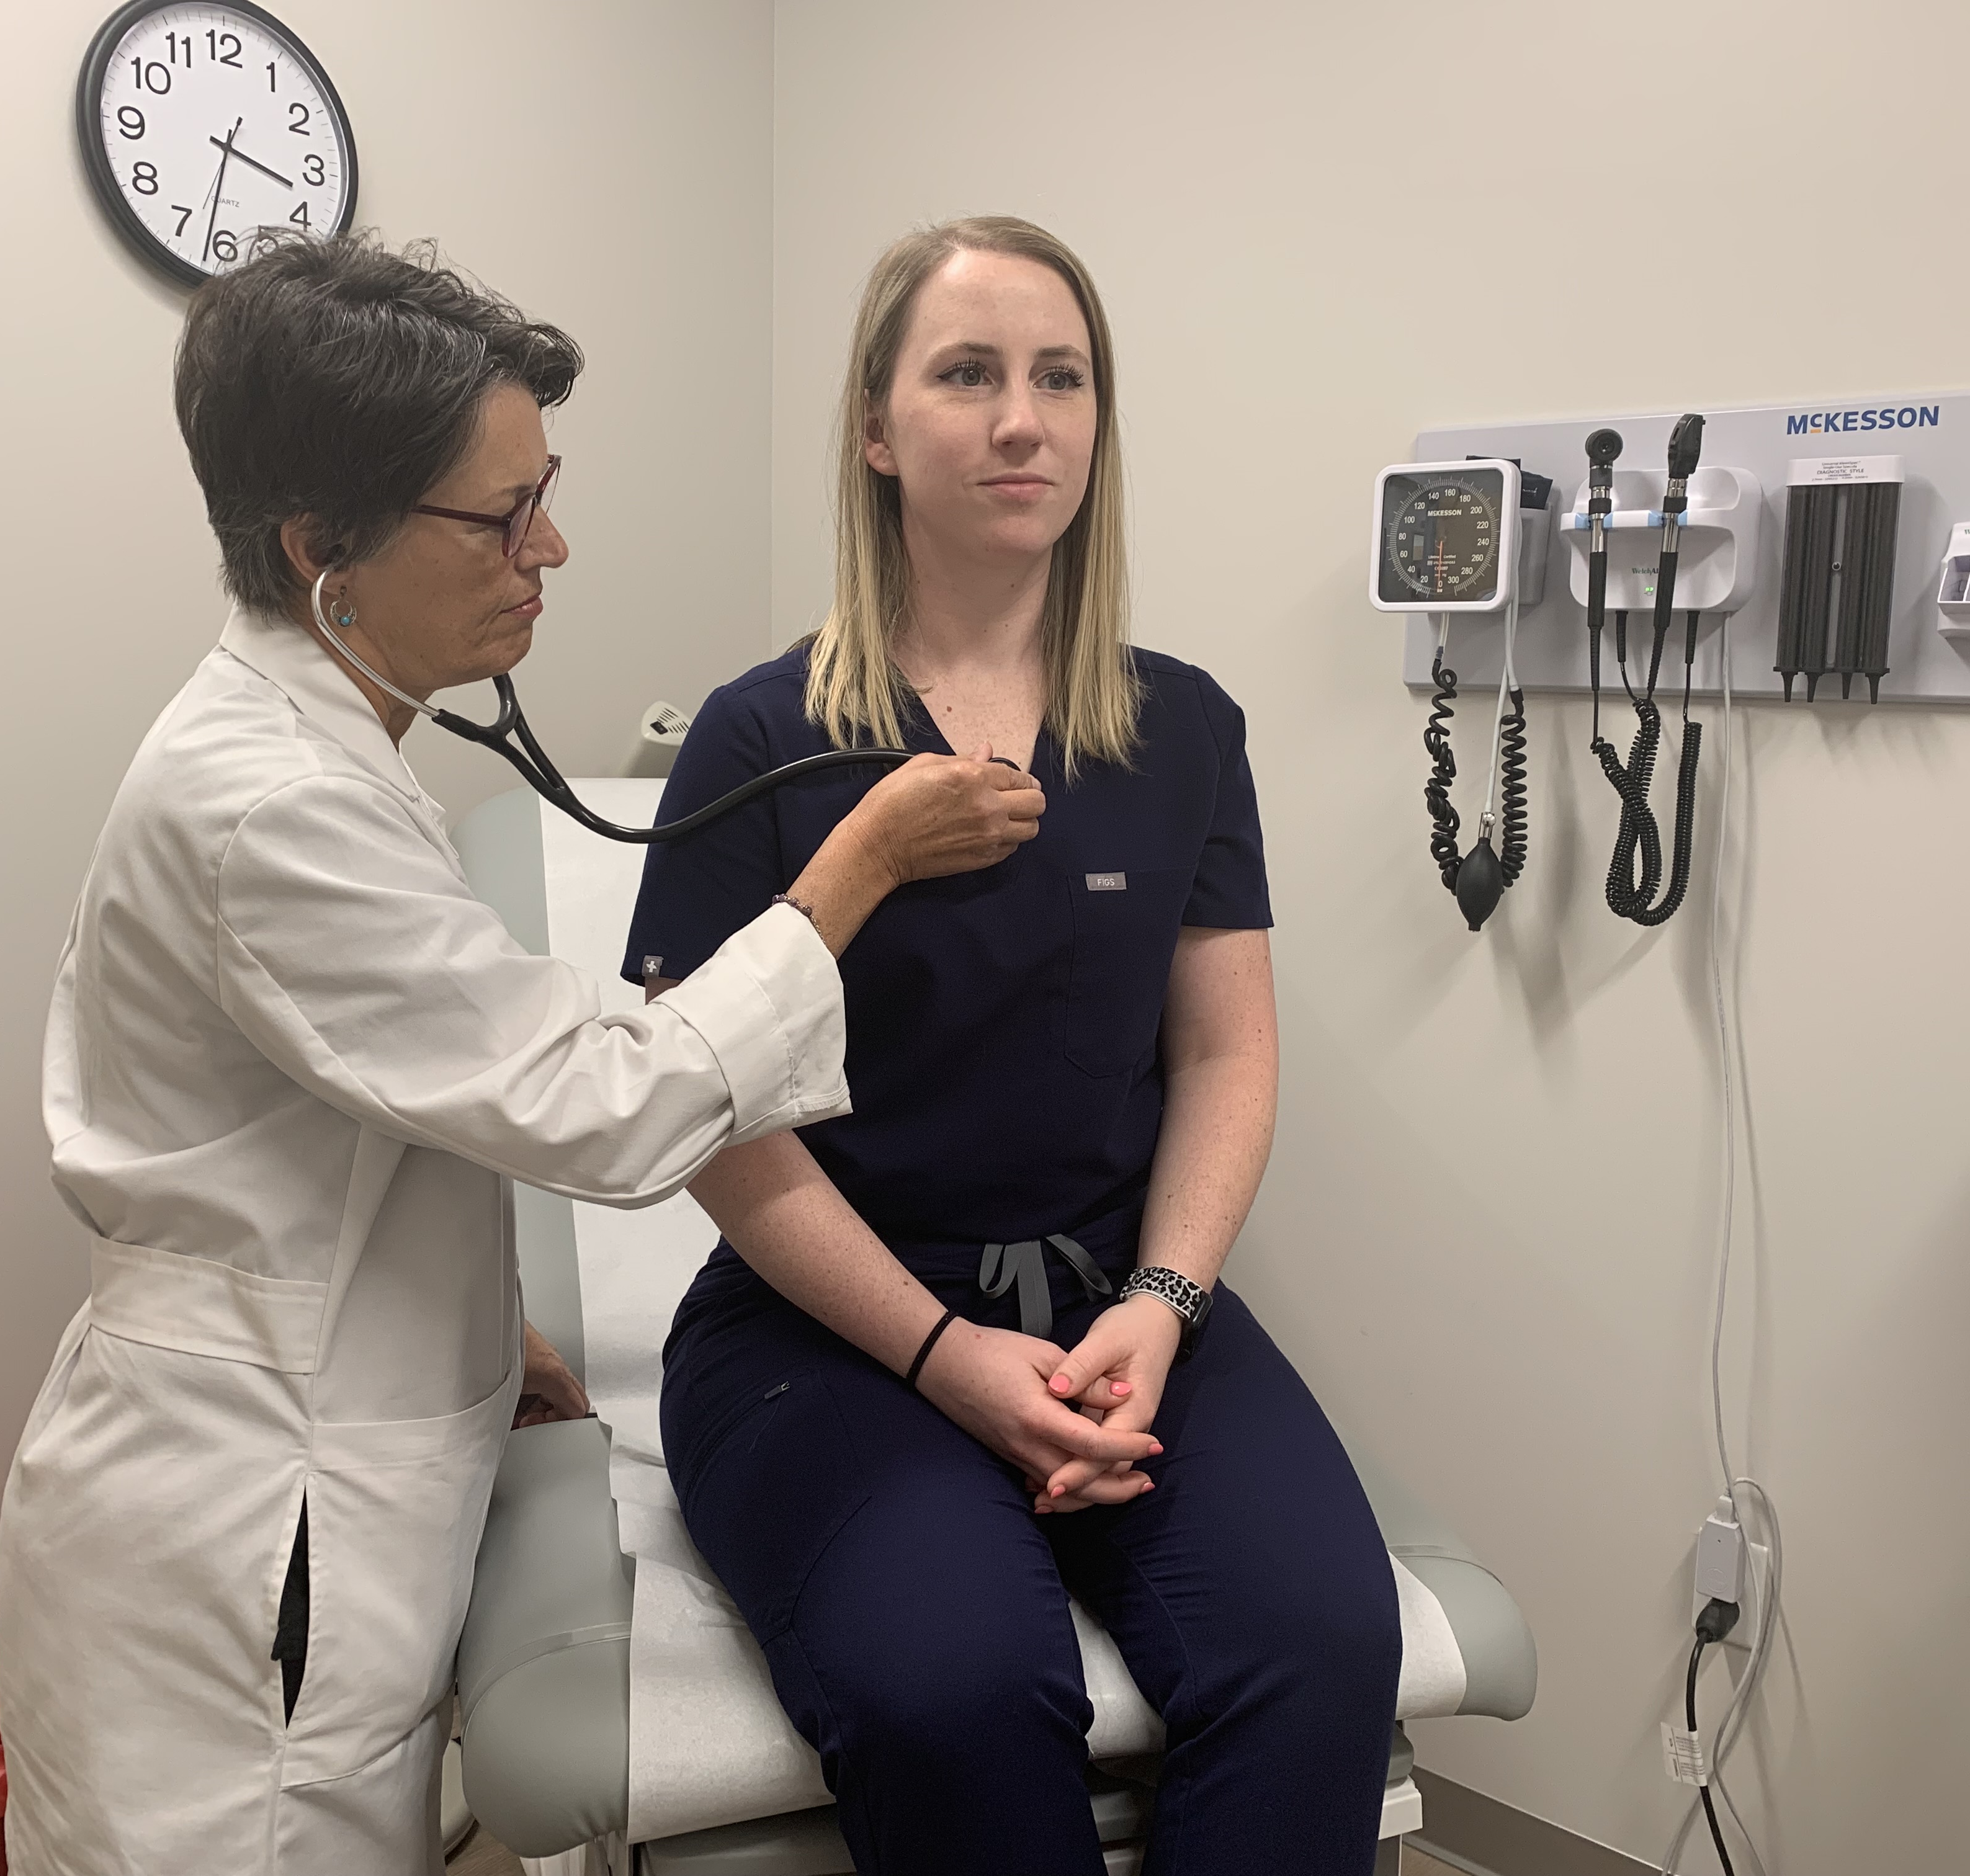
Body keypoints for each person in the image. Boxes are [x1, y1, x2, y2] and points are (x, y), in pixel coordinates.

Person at [0, 232, 1111, 1876]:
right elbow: (607, 1100)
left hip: (308, 1451)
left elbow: (359, 1114)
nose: (550, 546)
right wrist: (859, 863)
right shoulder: (274, 803)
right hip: (246, 1540)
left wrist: (486, 1326)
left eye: (545, 489)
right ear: (325, 554)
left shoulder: (319, 757)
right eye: (501, 514)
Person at [625, 217, 1403, 1875]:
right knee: (958, 1690)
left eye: (1063, 377)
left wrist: (1163, 1301)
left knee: (1324, 1650)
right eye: (967, 374)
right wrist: (938, 1359)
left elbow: (1225, 1058)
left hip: (1126, 1308)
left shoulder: (1181, 725)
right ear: (874, 425)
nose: (1022, 420)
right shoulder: (762, 741)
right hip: (824, 1336)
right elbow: (706, 1118)